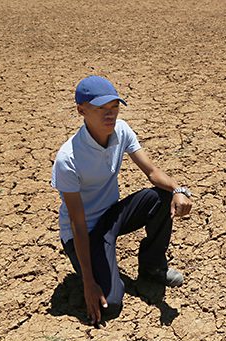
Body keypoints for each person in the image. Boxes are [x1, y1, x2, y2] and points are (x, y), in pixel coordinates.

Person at [51, 75, 192, 325]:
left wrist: (179, 189)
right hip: (82, 232)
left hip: (112, 216)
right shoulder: (69, 159)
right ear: (81, 110)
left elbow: (152, 172)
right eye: (101, 109)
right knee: (111, 305)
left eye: (114, 108)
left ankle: (152, 268)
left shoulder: (122, 131)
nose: (110, 115)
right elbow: (78, 224)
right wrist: (88, 282)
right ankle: (89, 273)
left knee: (162, 196)